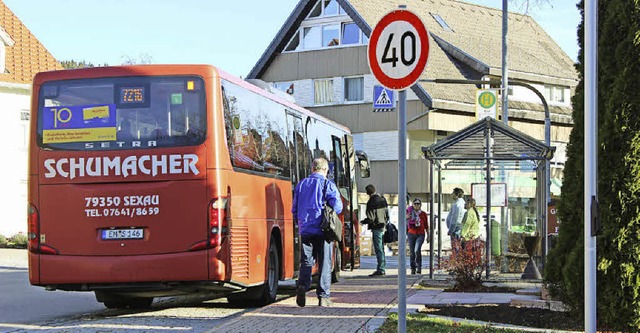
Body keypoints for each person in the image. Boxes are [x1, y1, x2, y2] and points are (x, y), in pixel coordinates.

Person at [292, 157, 342, 307]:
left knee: (306, 261)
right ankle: (323, 296)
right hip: (323, 229)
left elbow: (294, 208)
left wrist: (299, 222)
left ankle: (302, 286)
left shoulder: (301, 184)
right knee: (325, 262)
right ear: (325, 170)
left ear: (312, 168)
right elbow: (338, 207)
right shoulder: (328, 184)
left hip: (305, 228)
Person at [363, 184, 389, 276]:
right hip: (383, 226)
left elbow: (371, 218)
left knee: (378, 248)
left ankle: (381, 269)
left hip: (376, 227)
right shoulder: (382, 199)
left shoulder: (371, 202)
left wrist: (364, 221)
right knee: (381, 248)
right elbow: (387, 214)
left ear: (368, 193)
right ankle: (382, 267)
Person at [406, 198, 428, 275]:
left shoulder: (423, 214)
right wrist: (406, 218)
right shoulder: (409, 213)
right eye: (415, 204)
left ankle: (419, 267)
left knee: (417, 250)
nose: (416, 205)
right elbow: (403, 221)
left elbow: (426, 226)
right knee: (412, 252)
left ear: (420, 205)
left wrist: (428, 235)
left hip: (420, 234)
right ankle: (413, 268)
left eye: (418, 204)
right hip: (411, 233)